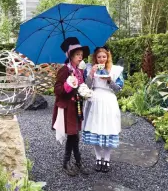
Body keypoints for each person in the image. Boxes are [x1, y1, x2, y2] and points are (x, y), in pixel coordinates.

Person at [52, 37, 90, 176]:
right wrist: (68, 85)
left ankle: (76, 162)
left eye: (81, 55)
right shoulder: (64, 70)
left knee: (75, 135)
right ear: (70, 56)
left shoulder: (78, 71)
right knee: (72, 135)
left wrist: (84, 91)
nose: (81, 57)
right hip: (68, 108)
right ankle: (67, 163)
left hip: (77, 106)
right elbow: (57, 90)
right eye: (77, 55)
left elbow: (80, 87)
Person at [82, 46, 124, 173]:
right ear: (95, 57)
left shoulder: (115, 70)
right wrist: (91, 74)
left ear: (107, 57)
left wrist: (110, 80)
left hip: (109, 101)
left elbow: (119, 89)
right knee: (95, 128)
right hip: (94, 100)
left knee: (107, 128)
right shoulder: (90, 68)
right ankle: (98, 158)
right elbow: (86, 86)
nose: (101, 59)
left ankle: (107, 158)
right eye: (99, 57)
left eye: (104, 57)